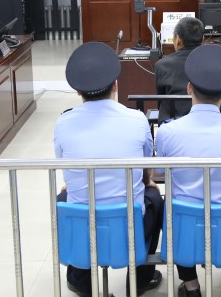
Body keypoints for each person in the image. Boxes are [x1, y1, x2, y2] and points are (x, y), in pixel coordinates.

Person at [54, 42, 163, 297]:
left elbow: (63, 162)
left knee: (64, 198)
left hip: (84, 219)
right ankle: (140, 278)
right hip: (129, 221)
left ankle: (80, 278)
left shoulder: (63, 122)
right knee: (154, 198)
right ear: (115, 85)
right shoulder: (137, 119)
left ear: (78, 91)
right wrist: (146, 182)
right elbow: (146, 162)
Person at [156, 45, 221, 297]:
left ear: (189, 88)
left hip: (184, 219)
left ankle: (191, 287)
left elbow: (160, 172)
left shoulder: (167, 131)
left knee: (173, 207)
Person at [154, 16, 204, 123]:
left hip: (172, 123)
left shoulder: (162, 65)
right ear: (203, 39)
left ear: (177, 40)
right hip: (208, 121)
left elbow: (160, 102)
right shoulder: (213, 62)